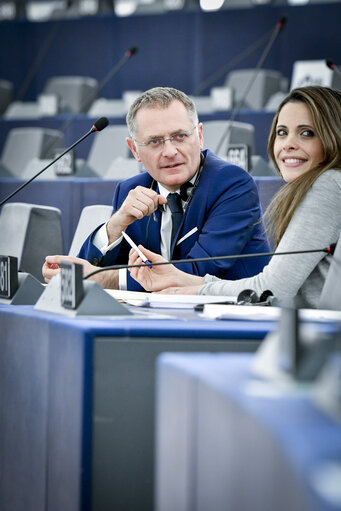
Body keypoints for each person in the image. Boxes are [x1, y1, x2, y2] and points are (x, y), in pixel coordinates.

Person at [128, 86, 341, 308]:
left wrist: (197, 291)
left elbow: (273, 289)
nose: (288, 144)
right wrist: (180, 280)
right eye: (282, 132)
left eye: (307, 133)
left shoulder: (328, 185)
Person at [43, 86, 269, 290]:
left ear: (199, 136)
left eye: (179, 136)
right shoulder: (130, 189)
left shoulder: (232, 184)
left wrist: (105, 279)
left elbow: (196, 272)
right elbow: (89, 270)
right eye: (155, 141)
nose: (170, 151)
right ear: (134, 150)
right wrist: (115, 225)